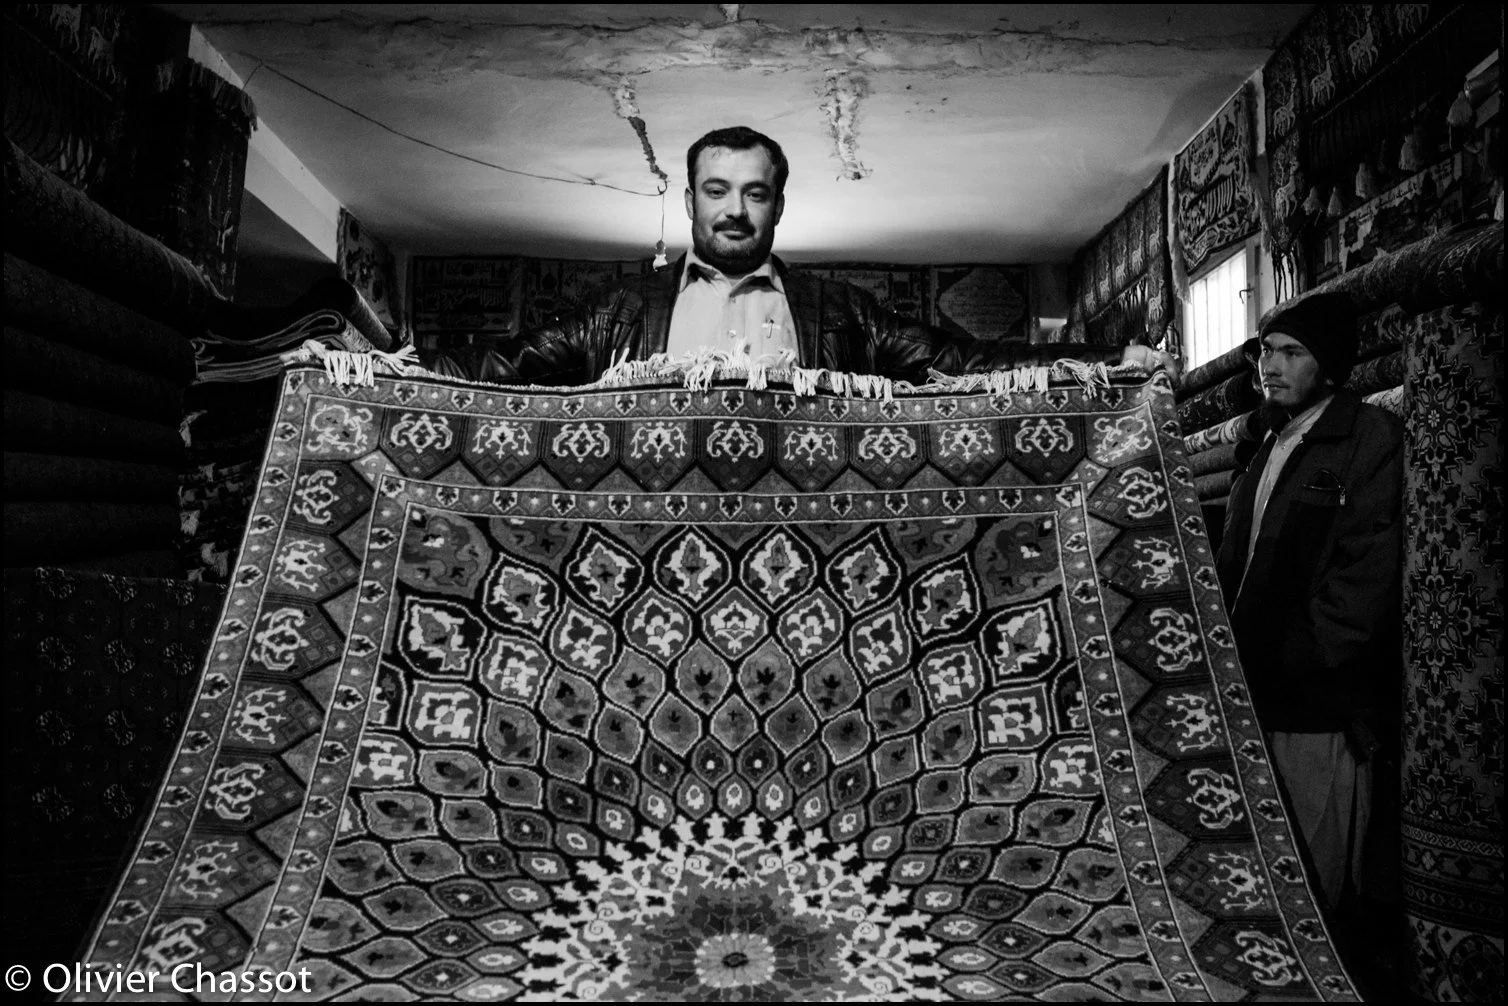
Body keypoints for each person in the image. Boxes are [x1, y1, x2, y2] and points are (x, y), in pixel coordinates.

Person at [447, 125, 1172, 386]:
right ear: (691, 201)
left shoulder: (840, 312)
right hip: (652, 555)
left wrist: (1110, 360)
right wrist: (389, 370)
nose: (735, 210)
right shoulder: (620, 312)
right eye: (717, 191)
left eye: (754, 193)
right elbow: (502, 368)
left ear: (779, 206)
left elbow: (959, 364)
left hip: (811, 566)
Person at [1215, 290, 1403, 915]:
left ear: (1328, 365)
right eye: (1265, 351)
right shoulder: (1269, 444)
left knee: (1311, 887)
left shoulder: (1368, 440)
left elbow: (1366, 580)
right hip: (1251, 700)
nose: (1270, 366)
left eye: (1291, 352)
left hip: (1317, 708)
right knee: (1256, 880)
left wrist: (1295, 660)